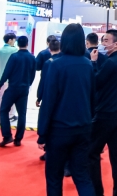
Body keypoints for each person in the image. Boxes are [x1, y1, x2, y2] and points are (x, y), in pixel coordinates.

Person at [37, 24, 95, 196]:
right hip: (83, 127)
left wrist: (42, 133)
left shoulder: (56, 65)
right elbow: (93, 98)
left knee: (54, 177)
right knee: (82, 176)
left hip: (59, 129)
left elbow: (49, 101)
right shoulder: (88, 64)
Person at [88, 29, 117, 196]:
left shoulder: (112, 62)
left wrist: (93, 63)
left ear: (116, 44)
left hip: (106, 114)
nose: (102, 44)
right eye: (102, 40)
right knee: (116, 156)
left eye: (106, 41)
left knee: (92, 153)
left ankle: (97, 192)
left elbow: (95, 82)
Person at [0, 35, 36, 147]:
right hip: (24, 89)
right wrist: (28, 84)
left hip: (13, 88)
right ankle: (18, 139)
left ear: (18, 44)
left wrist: (1, 83)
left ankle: (7, 136)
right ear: (27, 44)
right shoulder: (32, 57)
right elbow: (33, 74)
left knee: (3, 110)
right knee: (22, 114)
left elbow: (7, 71)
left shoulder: (14, 56)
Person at [0, 33, 18, 124]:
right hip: (12, 78)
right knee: (12, 98)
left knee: (0, 99)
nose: (15, 41)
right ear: (10, 40)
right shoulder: (15, 50)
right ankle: (9, 115)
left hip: (1, 77)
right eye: (14, 39)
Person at [37, 39, 61, 107]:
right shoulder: (64, 61)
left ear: (49, 49)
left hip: (49, 93)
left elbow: (43, 80)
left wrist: (39, 97)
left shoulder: (48, 63)